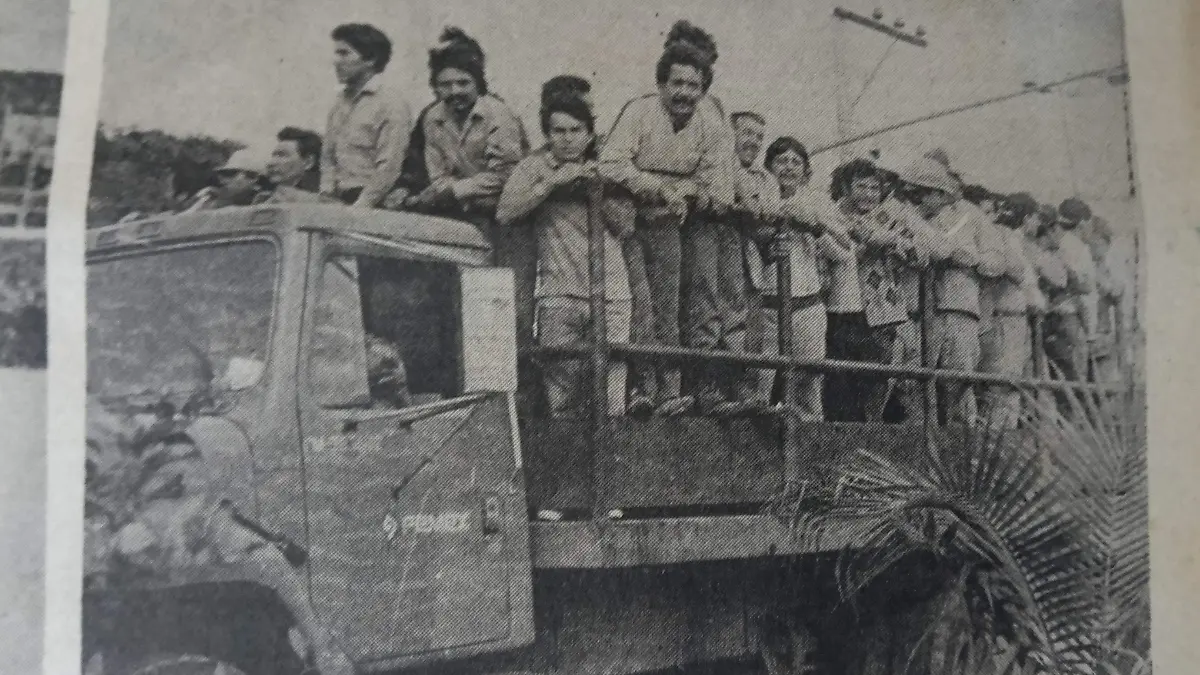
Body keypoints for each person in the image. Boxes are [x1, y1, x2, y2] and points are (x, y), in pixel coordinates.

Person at [598, 20, 735, 417]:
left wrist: (685, 191)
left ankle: (679, 390)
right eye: (676, 84)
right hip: (630, 218)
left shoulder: (711, 120)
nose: (684, 93)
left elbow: (719, 186)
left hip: (674, 223)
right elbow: (611, 162)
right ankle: (641, 389)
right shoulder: (639, 111)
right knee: (639, 302)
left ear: (704, 89)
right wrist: (656, 186)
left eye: (693, 86)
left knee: (684, 300)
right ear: (661, 84)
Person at [497, 93, 633, 418]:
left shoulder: (605, 166)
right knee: (562, 402)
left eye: (576, 131)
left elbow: (626, 225)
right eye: (559, 131)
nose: (568, 139)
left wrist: (594, 191)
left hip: (611, 294)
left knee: (612, 401)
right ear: (547, 134)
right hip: (559, 295)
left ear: (589, 134)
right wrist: (552, 184)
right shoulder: (533, 167)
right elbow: (505, 212)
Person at [894, 156, 1004, 425]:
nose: (922, 195)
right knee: (911, 383)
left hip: (957, 309)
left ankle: (959, 447)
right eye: (917, 188)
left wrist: (973, 259)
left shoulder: (972, 216)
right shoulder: (905, 214)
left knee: (958, 382)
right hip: (913, 310)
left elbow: (998, 261)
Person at [404, 27, 528, 255]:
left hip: (506, 217)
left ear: (477, 83)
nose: (455, 91)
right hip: (463, 213)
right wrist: (447, 193)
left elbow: (507, 174)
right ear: (435, 87)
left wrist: (455, 191)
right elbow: (439, 176)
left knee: (497, 283)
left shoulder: (498, 114)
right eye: (445, 85)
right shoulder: (433, 118)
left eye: (463, 83)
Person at [757, 137, 844, 421]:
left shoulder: (815, 202)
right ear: (769, 166)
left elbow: (842, 253)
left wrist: (814, 228)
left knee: (808, 384)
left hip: (807, 306)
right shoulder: (757, 197)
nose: (788, 168)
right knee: (761, 383)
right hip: (766, 306)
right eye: (782, 161)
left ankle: (809, 447)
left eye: (796, 162)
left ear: (805, 169)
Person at [825, 159, 908, 422]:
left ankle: (871, 434)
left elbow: (917, 252)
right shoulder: (831, 215)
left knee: (877, 379)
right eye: (861, 187)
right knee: (839, 382)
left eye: (874, 188)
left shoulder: (889, 216)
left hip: (882, 310)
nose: (869, 194)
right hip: (839, 308)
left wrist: (891, 240)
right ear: (846, 187)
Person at [320, 23, 414, 208]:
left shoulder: (391, 104)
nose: (336, 61)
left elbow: (389, 165)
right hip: (336, 203)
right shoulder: (339, 104)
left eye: (344, 53)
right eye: (336, 53)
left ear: (370, 59)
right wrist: (326, 195)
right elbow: (328, 158)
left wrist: (362, 205)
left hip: (372, 204)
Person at [729, 111, 781, 413]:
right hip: (719, 260)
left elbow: (768, 221)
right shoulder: (721, 167)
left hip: (750, 265)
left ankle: (748, 402)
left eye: (759, 137)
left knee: (751, 337)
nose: (754, 142)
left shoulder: (765, 178)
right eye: (747, 133)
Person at [978, 192, 1043, 427]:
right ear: (1025, 217)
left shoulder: (1018, 241)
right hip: (1004, 316)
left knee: (1014, 384)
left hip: (1018, 317)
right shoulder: (1003, 235)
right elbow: (1016, 271)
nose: (1037, 224)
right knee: (1001, 383)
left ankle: (1007, 433)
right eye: (1035, 218)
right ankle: (994, 437)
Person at [1044, 197, 1097, 382]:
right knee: (1076, 378)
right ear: (1082, 222)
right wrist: (1091, 332)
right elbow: (1083, 289)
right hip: (1071, 319)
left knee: (1060, 377)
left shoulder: (1057, 245)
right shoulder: (1078, 248)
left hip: (1055, 316)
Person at [183, 147, 272, 211]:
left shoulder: (266, 205)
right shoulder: (210, 199)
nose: (221, 180)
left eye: (229, 174)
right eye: (223, 174)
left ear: (253, 178)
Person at [266, 127, 322, 193]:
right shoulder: (263, 197)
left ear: (308, 162)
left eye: (282, 155)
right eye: (274, 156)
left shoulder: (320, 200)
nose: (271, 163)